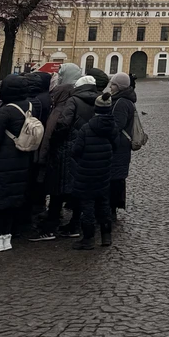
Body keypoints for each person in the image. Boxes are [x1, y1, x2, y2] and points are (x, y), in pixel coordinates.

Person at [0, 73, 36, 253]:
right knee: (12, 200)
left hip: (1, 162)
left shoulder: (4, 112)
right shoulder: (30, 106)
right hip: (22, 159)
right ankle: (6, 237)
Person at [31, 62, 81, 240]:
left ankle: (50, 227)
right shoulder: (78, 97)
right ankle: (68, 223)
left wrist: (43, 156)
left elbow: (54, 130)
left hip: (61, 154)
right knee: (64, 191)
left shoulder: (64, 100)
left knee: (57, 190)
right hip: (70, 155)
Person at [68, 91, 117, 249]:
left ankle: (88, 239)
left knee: (87, 204)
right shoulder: (112, 126)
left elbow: (76, 150)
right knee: (103, 203)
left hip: (86, 172)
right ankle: (106, 236)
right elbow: (115, 146)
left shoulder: (86, 128)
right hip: (104, 171)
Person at [106, 71, 136, 223]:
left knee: (115, 177)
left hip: (119, 146)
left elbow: (117, 125)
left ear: (119, 86)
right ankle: (113, 207)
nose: (110, 87)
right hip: (122, 145)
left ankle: (112, 209)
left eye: (113, 84)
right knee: (117, 177)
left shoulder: (121, 102)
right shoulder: (125, 100)